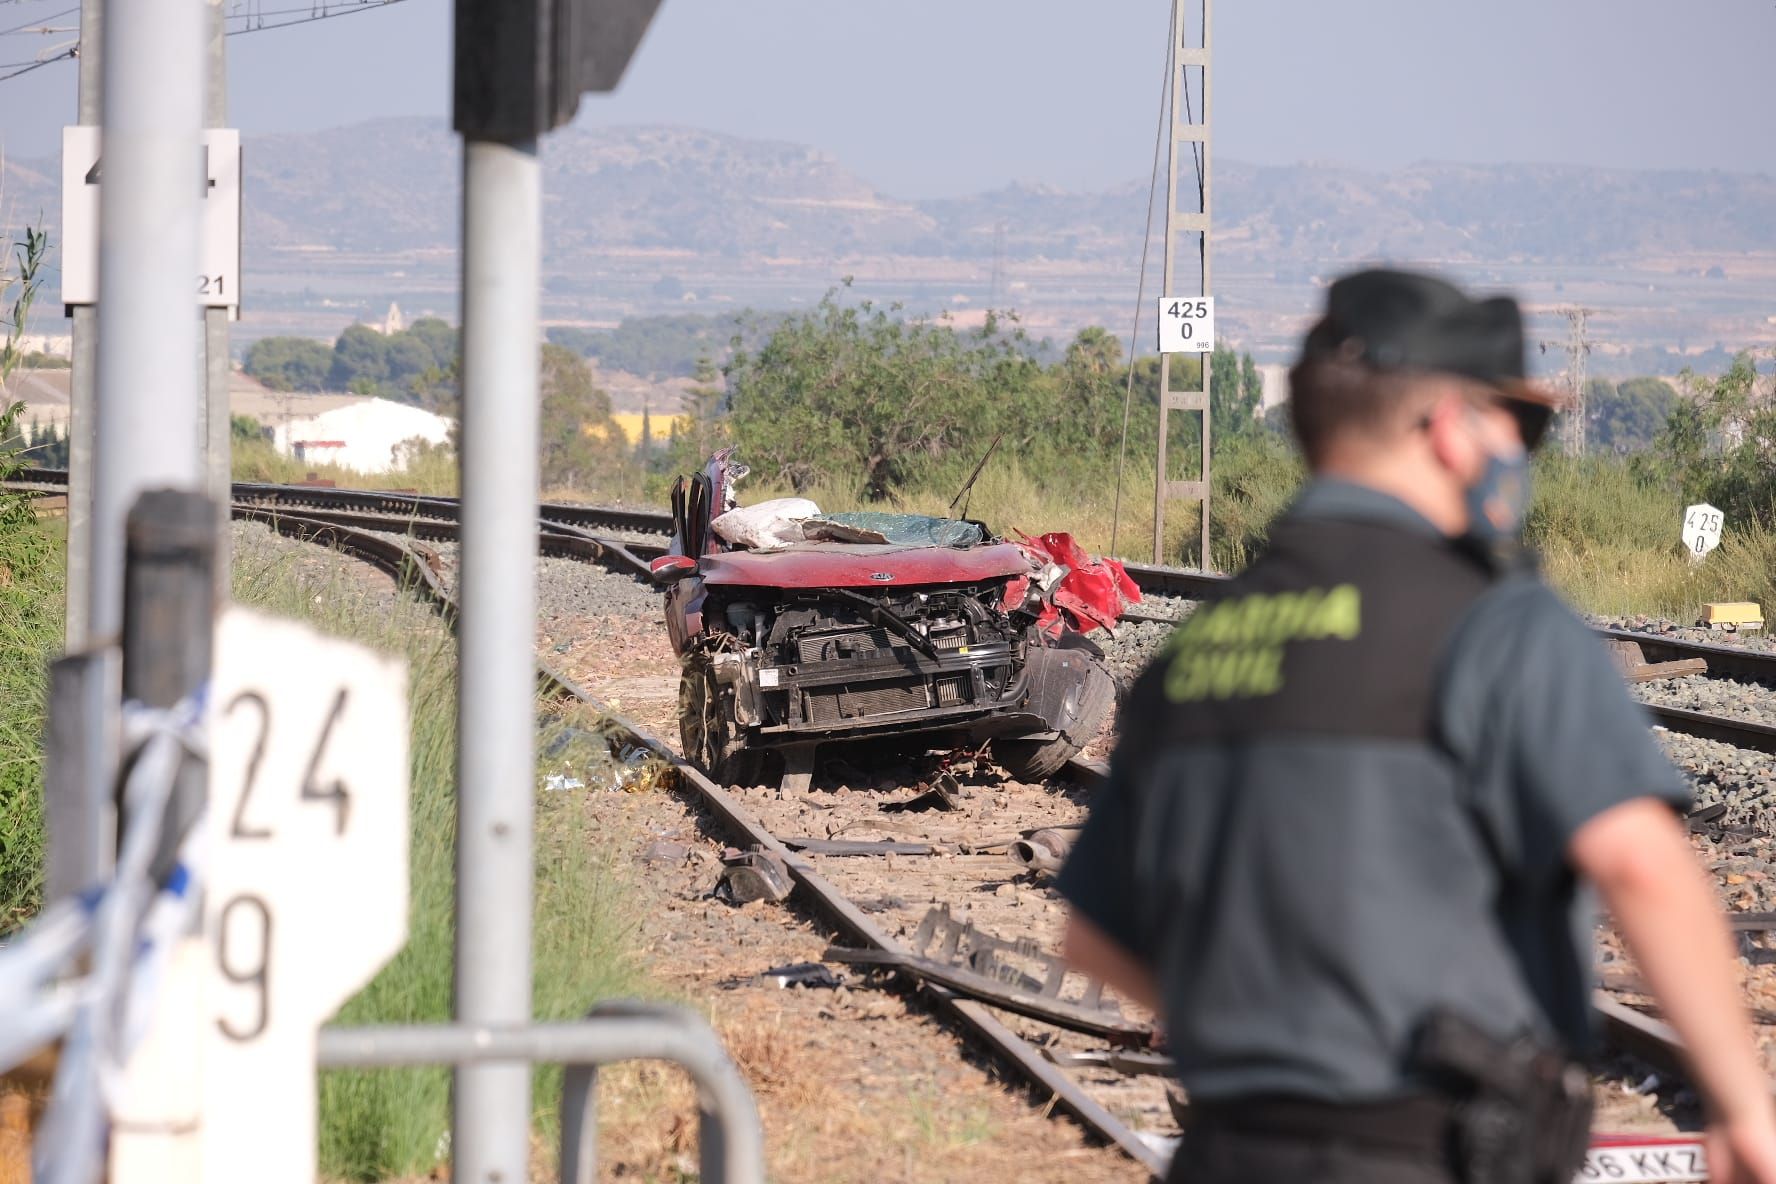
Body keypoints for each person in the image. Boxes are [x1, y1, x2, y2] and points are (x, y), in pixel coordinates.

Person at [1057, 268, 1776, 1184]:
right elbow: (1641, 862)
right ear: (1450, 426)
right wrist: (1743, 1105)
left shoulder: (1191, 659)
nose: (1522, 454)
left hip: (1228, 1148)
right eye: (1520, 426)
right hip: (1429, 1148)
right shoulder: (1496, 624)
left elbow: (1097, 938)